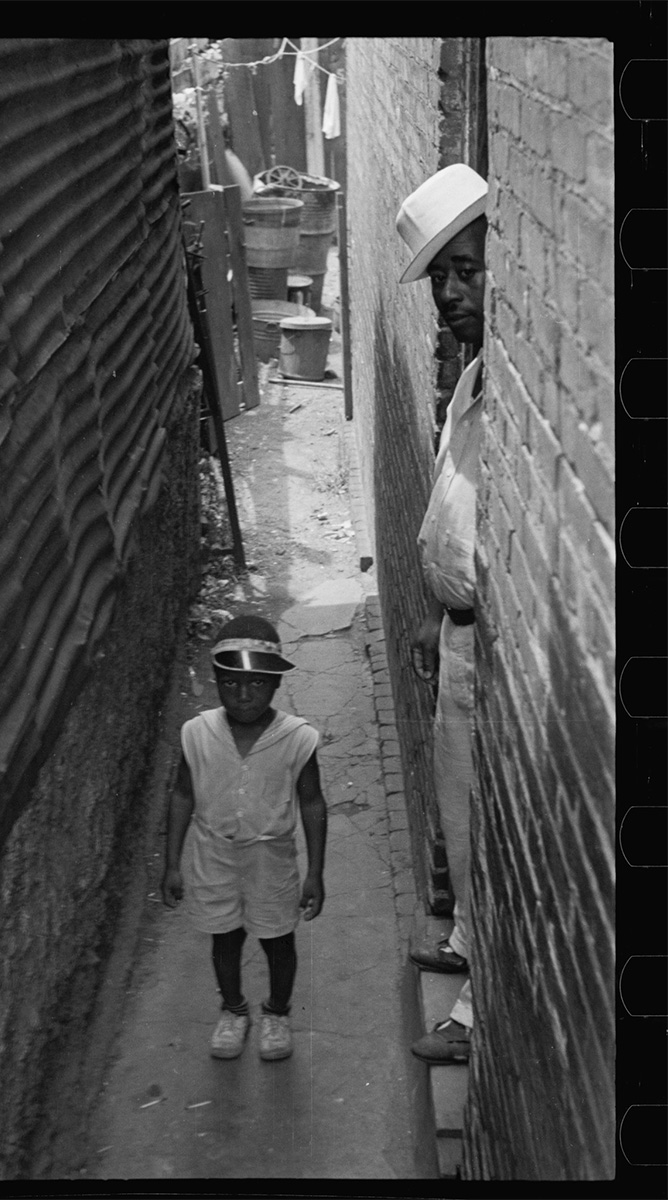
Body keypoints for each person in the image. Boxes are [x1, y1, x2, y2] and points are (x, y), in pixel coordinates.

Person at [395, 163, 489, 1064]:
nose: (451, 293)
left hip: (490, 650)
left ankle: (473, 1019)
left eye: (467, 270)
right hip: (455, 636)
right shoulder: (473, 381)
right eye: (439, 278)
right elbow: (452, 510)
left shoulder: (516, 396)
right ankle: (462, 944)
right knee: (455, 805)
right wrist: (433, 611)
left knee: (485, 819)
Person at [161, 614, 327, 1062]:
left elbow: (312, 803)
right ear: (217, 681)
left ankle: (276, 1012)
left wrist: (316, 873)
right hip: (212, 854)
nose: (244, 694)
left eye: (256, 683)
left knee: (277, 939)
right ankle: (234, 1009)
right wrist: (172, 863)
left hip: (270, 857)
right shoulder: (197, 734)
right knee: (225, 937)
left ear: (274, 685)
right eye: (231, 683)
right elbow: (181, 794)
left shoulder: (297, 739)